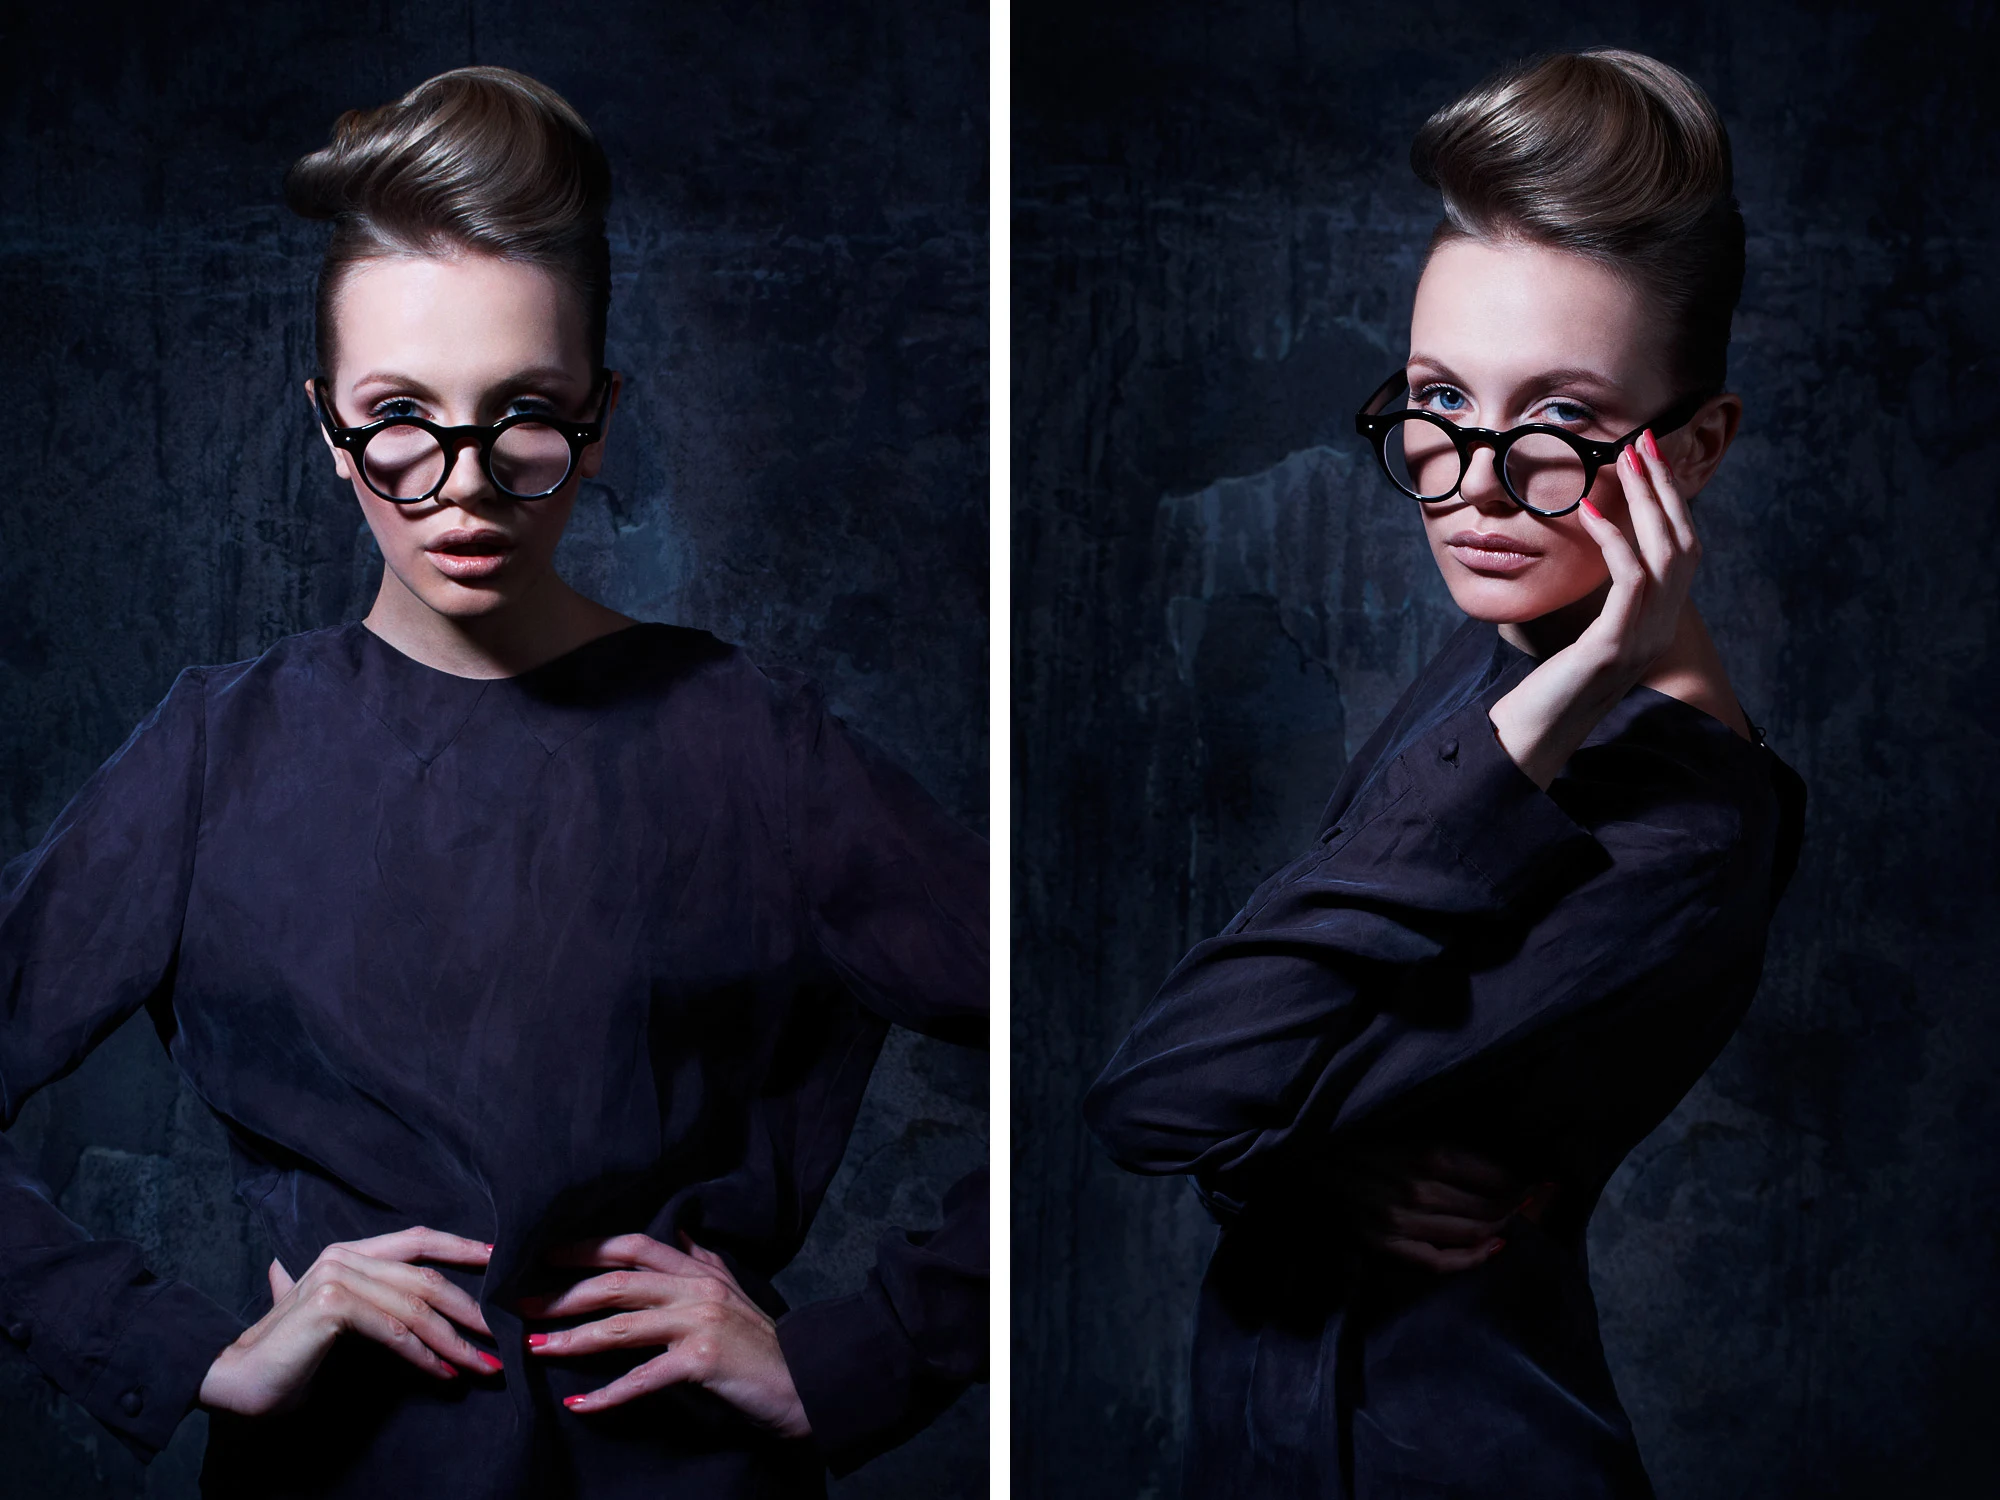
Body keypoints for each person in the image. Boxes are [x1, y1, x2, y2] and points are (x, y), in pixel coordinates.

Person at [0, 66, 986, 1498]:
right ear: (327, 425)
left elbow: (1074, 1044)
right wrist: (180, 1350)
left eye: (524, 409)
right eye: (399, 412)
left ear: (601, 412)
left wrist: (857, 1358)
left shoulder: (751, 745)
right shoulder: (218, 755)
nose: (461, 481)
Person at [1084, 49, 1805, 1499]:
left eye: (1561, 422)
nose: (1474, 481)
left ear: (1696, 447)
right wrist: (1307, 1155)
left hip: (1435, 1447)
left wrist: (1566, 702)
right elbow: (1256, 1089)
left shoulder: (1683, 829)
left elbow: (1163, 1095)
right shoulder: (1514, 645)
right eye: (1437, 400)